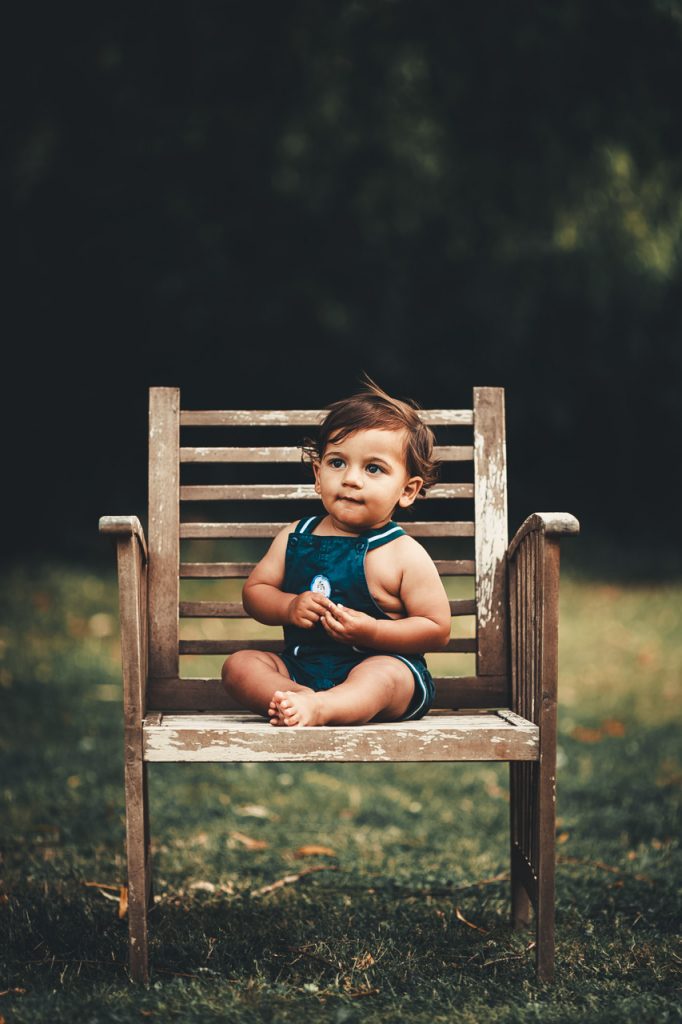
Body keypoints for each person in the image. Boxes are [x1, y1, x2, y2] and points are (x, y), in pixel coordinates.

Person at [221, 377, 452, 727]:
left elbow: (437, 629)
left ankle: (322, 707)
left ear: (407, 490)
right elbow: (255, 593)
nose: (351, 479)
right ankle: (298, 701)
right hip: (301, 669)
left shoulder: (404, 554)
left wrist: (373, 632)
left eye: (373, 468)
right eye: (337, 463)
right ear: (317, 473)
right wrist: (289, 605)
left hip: (381, 667)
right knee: (239, 666)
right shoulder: (294, 536)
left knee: (384, 676)